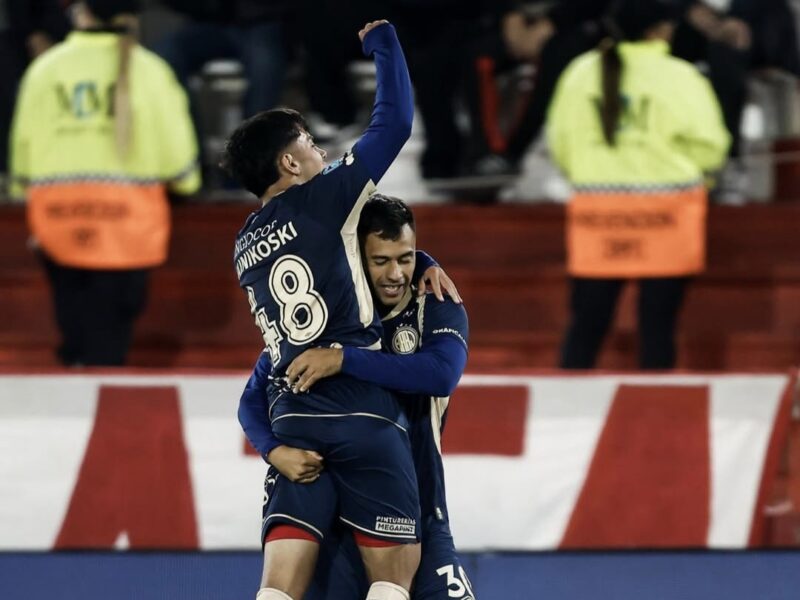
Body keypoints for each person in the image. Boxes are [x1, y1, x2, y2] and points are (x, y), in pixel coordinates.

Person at [221, 20, 419, 600]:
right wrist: (385, 44)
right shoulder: (325, 197)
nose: (323, 152)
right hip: (360, 407)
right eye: (310, 143)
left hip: (292, 415)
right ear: (289, 163)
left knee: (278, 591)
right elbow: (394, 124)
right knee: (391, 584)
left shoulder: (243, 245)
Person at [239, 194, 474, 599]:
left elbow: (441, 374)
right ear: (354, 259)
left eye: (405, 258)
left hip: (419, 507)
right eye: (380, 261)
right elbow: (253, 396)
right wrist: (272, 449)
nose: (396, 273)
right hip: (329, 514)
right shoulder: (325, 315)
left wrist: (343, 360)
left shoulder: (433, 305)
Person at [8, 0, 200, 366]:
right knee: (110, 338)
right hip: (128, 226)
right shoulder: (151, 71)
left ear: (81, 12)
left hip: (59, 220)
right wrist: (186, 183)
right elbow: (180, 160)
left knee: (75, 328)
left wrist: (22, 190)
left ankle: (75, 374)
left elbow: (22, 145)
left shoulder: (45, 69)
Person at [547, 0, 730, 369]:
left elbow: (560, 142)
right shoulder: (681, 76)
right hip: (668, 212)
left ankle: (564, 403)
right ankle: (657, 404)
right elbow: (711, 146)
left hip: (598, 215)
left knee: (586, 325)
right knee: (658, 327)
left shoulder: (580, 72)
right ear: (659, 30)